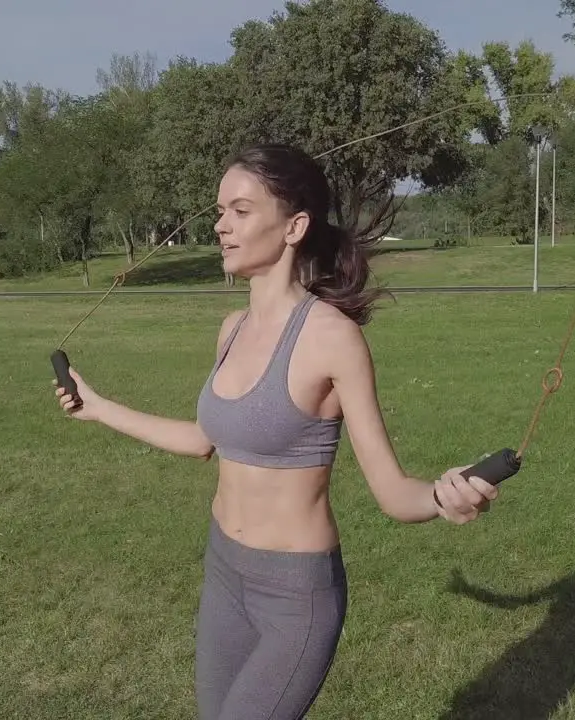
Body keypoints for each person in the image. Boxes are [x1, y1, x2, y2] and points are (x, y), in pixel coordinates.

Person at [53, 143, 500, 719]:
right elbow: (204, 441)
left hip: (295, 594)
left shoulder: (330, 337)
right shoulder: (231, 329)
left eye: (240, 211)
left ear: (293, 227)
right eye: (220, 211)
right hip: (224, 573)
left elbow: (392, 493)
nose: (221, 226)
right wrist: (98, 406)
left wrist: (444, 496)